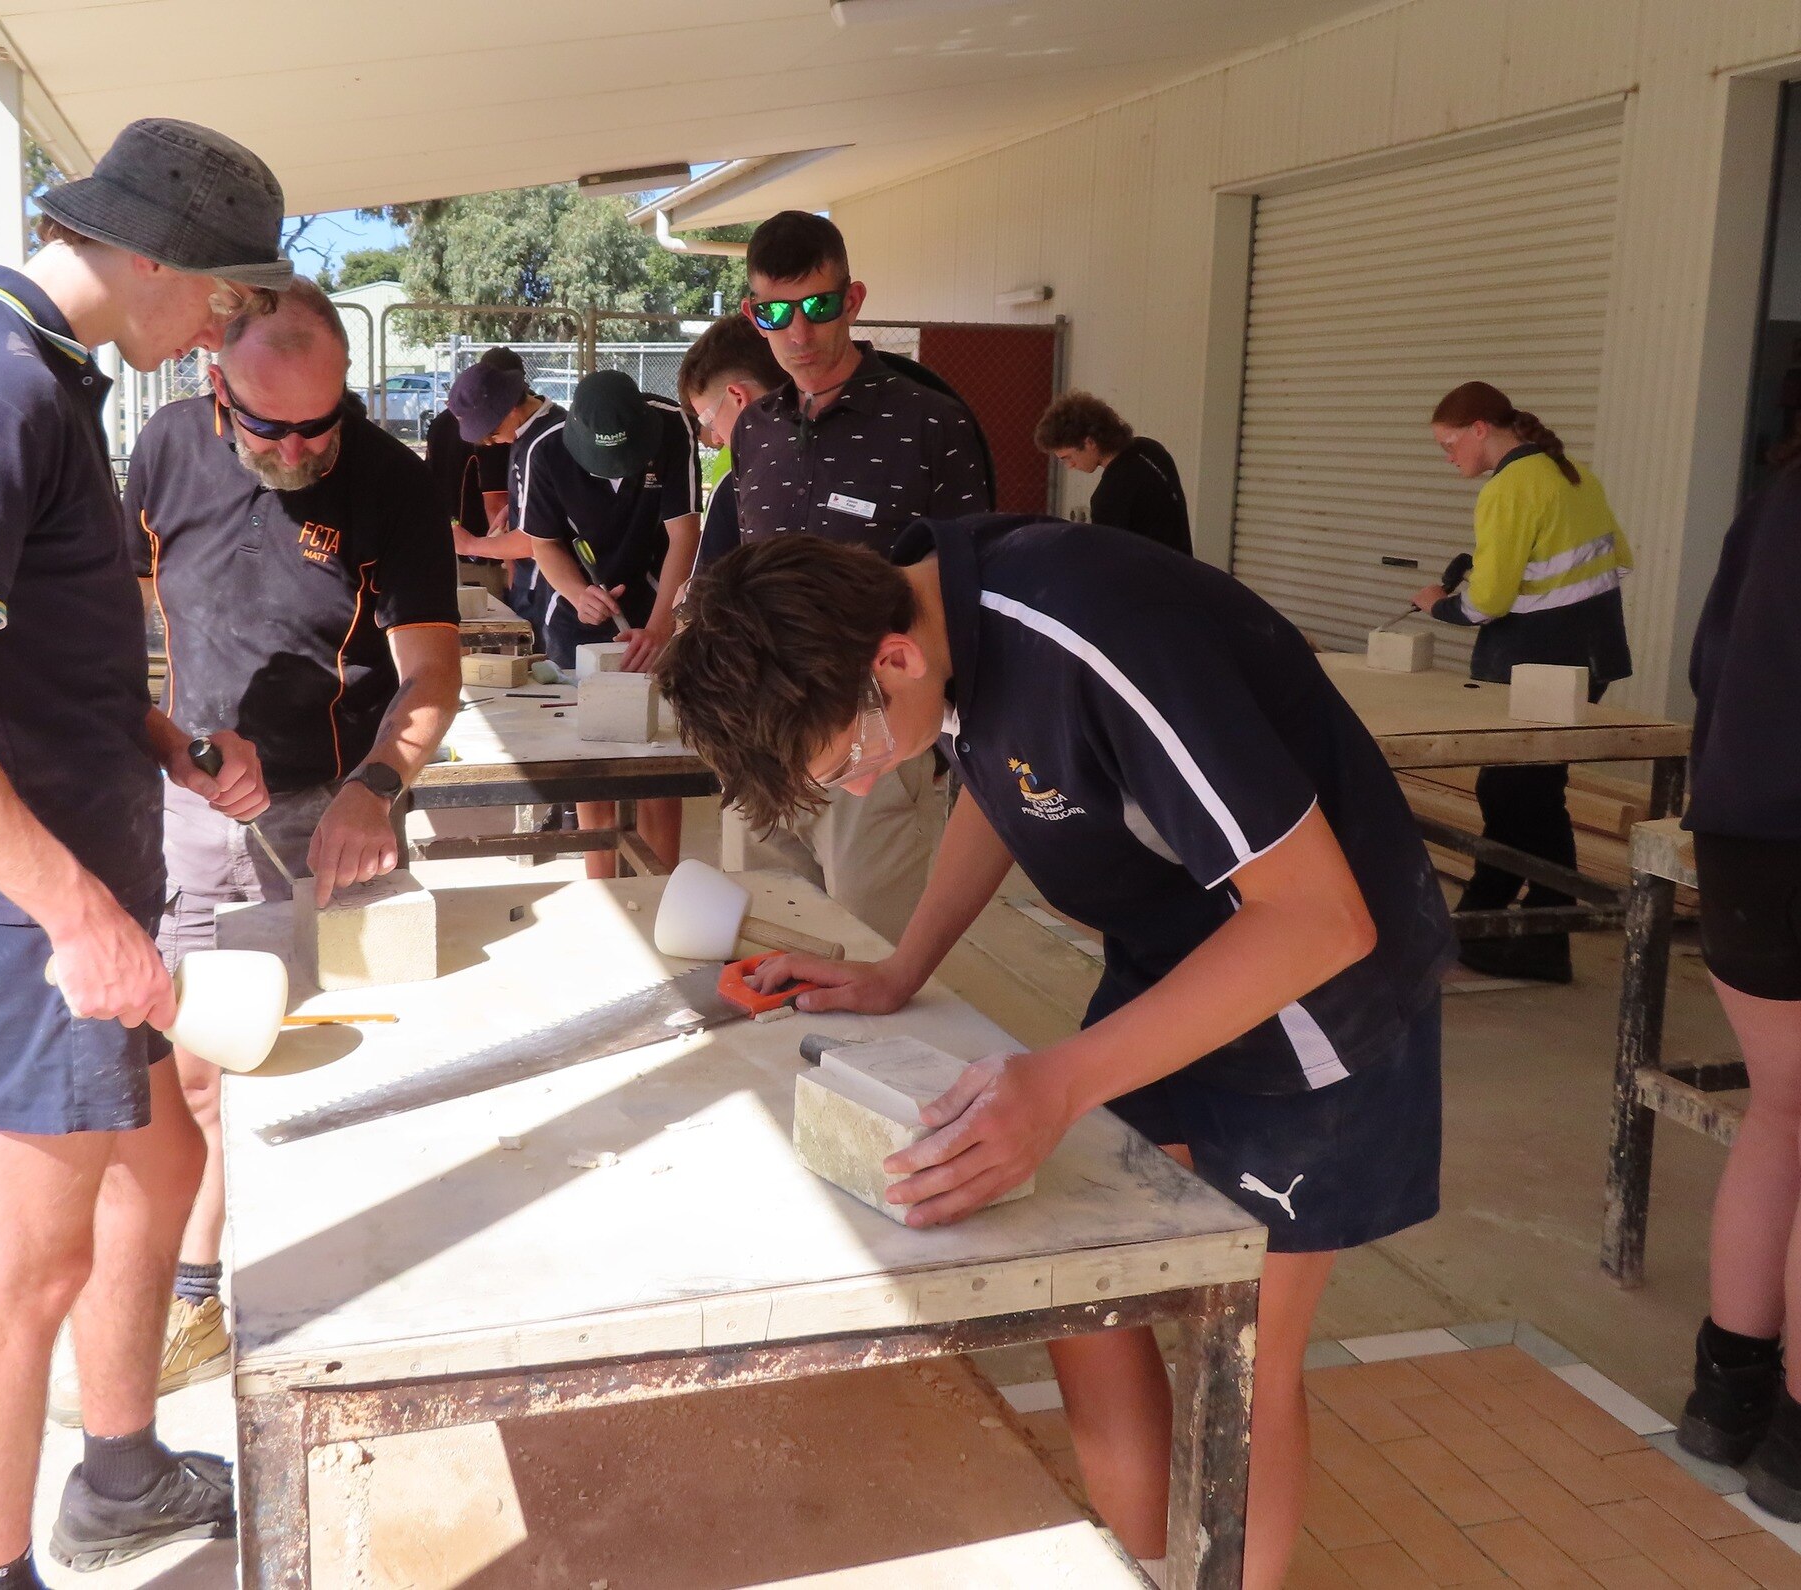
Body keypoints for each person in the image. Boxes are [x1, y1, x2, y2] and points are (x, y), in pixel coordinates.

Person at [657, 518, 1451, 1590]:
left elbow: (1318, 922)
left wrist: (1061, 1083)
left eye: (852, 757)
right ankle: (1148, 1569)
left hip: (1312, 989)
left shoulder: (1097, 633)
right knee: (1090, 1289)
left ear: (890, 660)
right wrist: (901, 967)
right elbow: (1000, 774)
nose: (859, 785)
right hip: (1175, 949)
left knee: (1242, 1357)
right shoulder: (926, 618)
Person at [0, 119, 292, 1586]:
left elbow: (16, 639)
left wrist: (155, 734)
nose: (222, 324)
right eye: (221, 293)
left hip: (75, 868)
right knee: (26, 1266)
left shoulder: (43, 372)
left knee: (156, 1174)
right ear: (149, 255)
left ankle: (120, 1470)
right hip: (24, 903)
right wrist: (77, 915)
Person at [40, 278, 461, 1426]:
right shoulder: (166, 451)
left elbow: (429, 672)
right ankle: (197, 1296)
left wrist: (377, 787)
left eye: (321, 423)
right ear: (210, 377)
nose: (296, 447)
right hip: (189, 802)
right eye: (268, 426)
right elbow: (111, 635)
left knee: (356, 1055)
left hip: (340, 818)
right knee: (194, 1071)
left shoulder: (389, 481)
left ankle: (381, 1289)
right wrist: (170, 744)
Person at [724, 210, 993, 942]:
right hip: (769, 726)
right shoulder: (756, 429)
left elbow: (974, 587)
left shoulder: (932, 424)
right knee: (767, 925)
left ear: (853, 299)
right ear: (754, 314)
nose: (799, 334)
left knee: (873, 941)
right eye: (775, 313)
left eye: (817, 306)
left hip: (879, 729)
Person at [1674, 450, 1801, 1519]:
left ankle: (1725, 1398)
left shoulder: (1771, 502)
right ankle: (1796, 1451)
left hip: (1740, 838)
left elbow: (1707, 667)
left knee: (1779, 1114)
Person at [1412, 381, 1634, 983]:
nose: (1448, 457)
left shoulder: (1508, 486)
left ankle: (1543, 935)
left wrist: (1439, 604)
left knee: (1521, 797)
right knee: (1520, 793)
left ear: (1481, 428)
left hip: (1537, 663)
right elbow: (1604, 562)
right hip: (1588, 656)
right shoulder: (1573, 474)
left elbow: (1486, 603)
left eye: (1449, 443)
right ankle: (1484, 918)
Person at [519, 368, 701, 876]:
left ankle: (659, 892)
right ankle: (602, 890)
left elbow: (684, 535)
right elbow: (544, 542)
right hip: (583, 614)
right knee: (591, 763)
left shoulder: (672, 428)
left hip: (659, 601)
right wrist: (578, 593)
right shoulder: (546, 450)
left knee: (659, 763)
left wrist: (663, 625)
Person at [446, 358, 566, 647]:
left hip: (551, 590)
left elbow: (534, 540)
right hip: (535, 584)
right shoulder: (527, 433)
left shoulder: (545, 441)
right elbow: (547, 499)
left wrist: (470, 545)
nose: (488, 443)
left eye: (491, 432)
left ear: (511, 405)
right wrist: (515, 507)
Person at [678, 313, 785, 572]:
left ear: (738, 396)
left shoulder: (737, 480)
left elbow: (700, 594)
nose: (715, 438)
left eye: (710, 420)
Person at [1034, 389, 1191, 556]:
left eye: (1067, 457)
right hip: (1186, 570)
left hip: (1150, 579)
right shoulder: (1151, 449)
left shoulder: (1109, 496)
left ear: (1089, 442)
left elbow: (1109, 564)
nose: (1070, 465)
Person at [430, 346, 523, 593]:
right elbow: (495, 503)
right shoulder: (492, 426)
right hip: (481, 558)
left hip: (446, 548)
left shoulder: (441, 422)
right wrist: (513, 572)